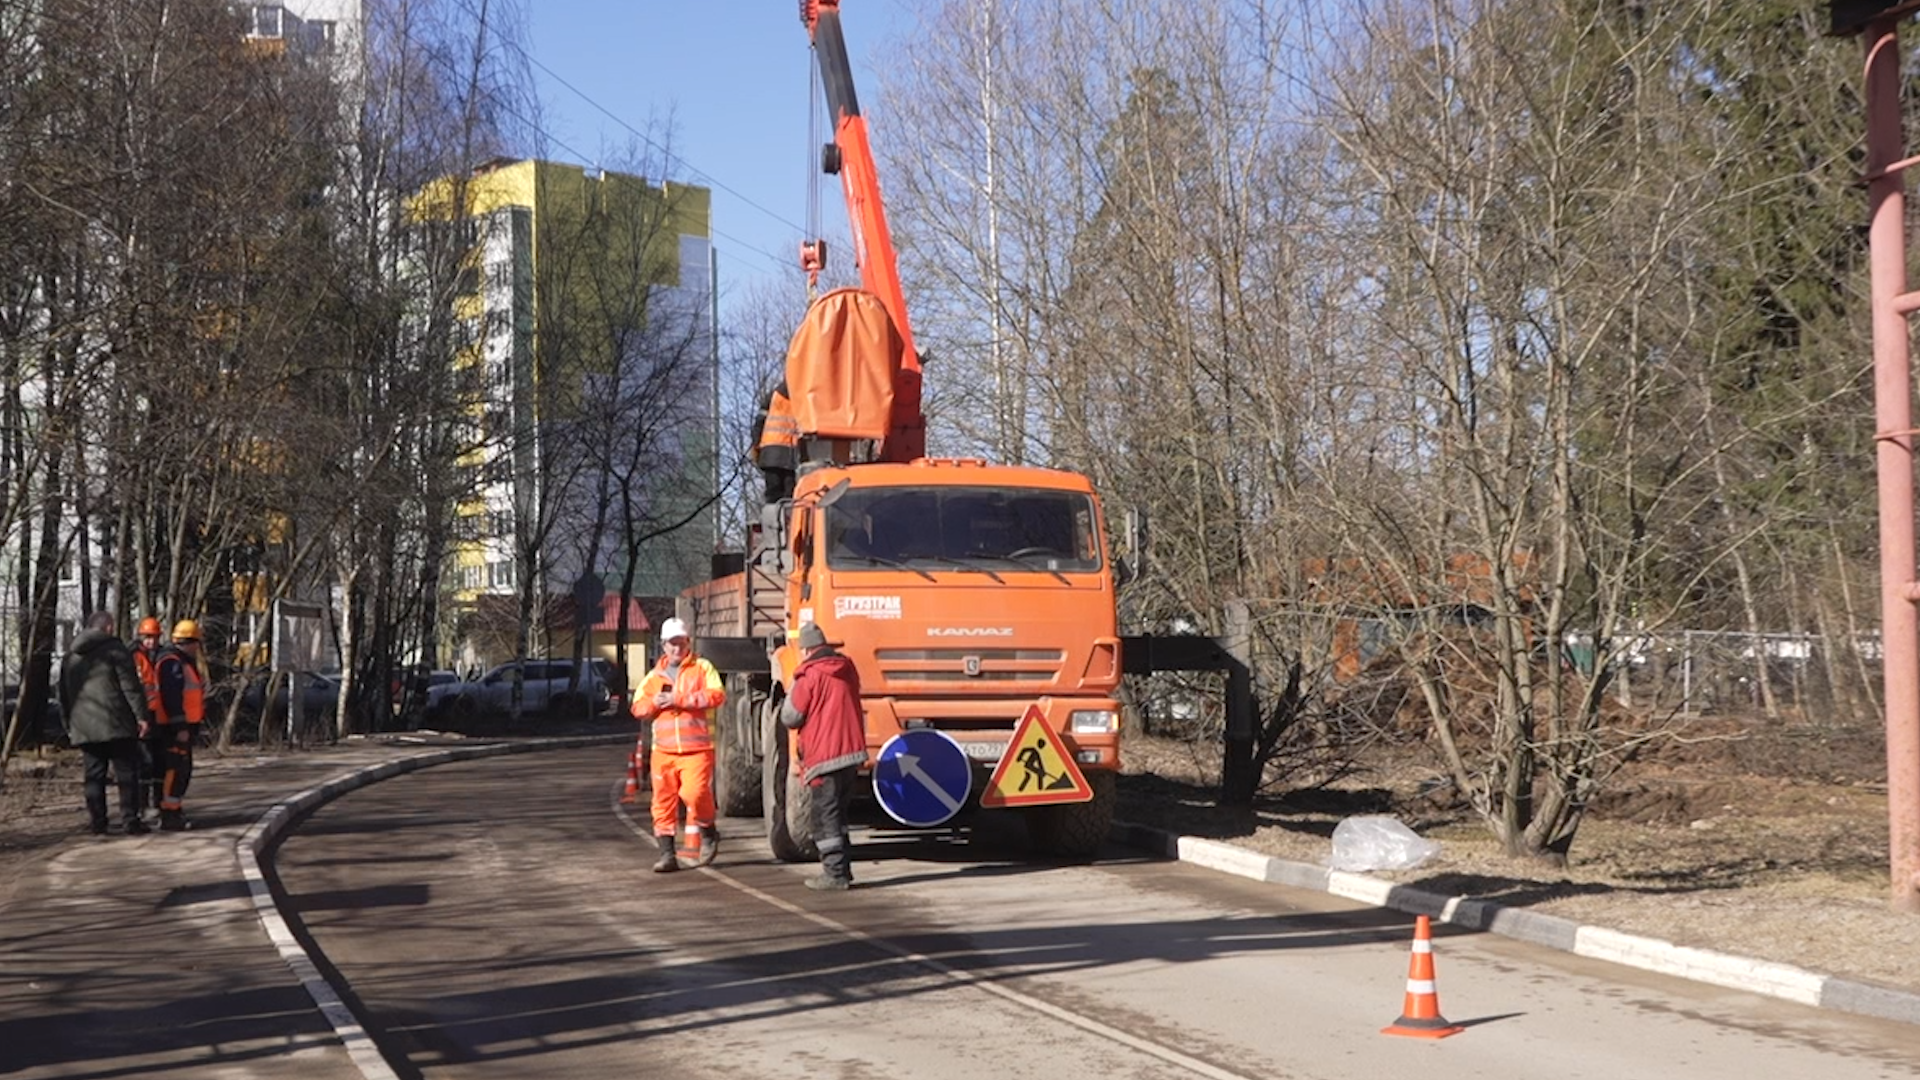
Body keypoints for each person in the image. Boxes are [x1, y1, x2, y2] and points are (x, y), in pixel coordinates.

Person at [630, 617, 727, 872]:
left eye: (681, 643)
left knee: (693, 794)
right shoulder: (654, 676)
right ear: (663, 645)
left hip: (697, 749)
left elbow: (717, 694)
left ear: (688, 643)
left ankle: (708, 830)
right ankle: (666, 854)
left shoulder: (702, 668)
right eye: (672, 643)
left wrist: (678, 699)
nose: (676, 648)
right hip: (663, 751)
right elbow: (638, 707)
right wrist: (655, 703)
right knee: (662, 802)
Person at [780, 622, 866, 890]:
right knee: (839, 814)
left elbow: (790, 716)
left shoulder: (809, 675)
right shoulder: (847, 669)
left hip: (824, 756)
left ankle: (834, 874)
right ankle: (843, 869)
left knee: (824, 816)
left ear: (805, 649)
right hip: (851, 753)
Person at [58, 612, 152, 836]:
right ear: (108, 627)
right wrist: (141, 716)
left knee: (94, 775)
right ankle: (130, 820)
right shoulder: (115, 650)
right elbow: (130, 686)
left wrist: (68, 724)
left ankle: (98, 823)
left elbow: (62, 694)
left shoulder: (70, 656)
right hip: (116, 722)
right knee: (127, 772)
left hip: (84, 726)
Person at [151, 619, 207, 831]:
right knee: (175, 770)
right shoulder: (172, 662)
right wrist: (180, 726)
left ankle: (173, 810)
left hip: (181, 726)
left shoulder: (179, 661)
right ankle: (169, 814)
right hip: (174, 729)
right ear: (189, 642)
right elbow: (172, 697)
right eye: (196, 643)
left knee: (180, 770)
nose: (197, 649)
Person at [130, 616, 165, 812]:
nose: (151, 641)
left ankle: (158, 801)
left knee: (160, 761)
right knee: (144, 762)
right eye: (147, 637)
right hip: (143, 715)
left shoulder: (161, 656)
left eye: (154, 637)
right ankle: (141, 804)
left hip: (159, 715)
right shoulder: (134, 656)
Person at [750, 379, 798, 503]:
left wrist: (756, 446)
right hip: (790, 454)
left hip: (770, 453)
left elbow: (759, 424)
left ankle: (774, 520)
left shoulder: (773, 396)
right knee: (789, 496)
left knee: (774, 495)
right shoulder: (802, 396)